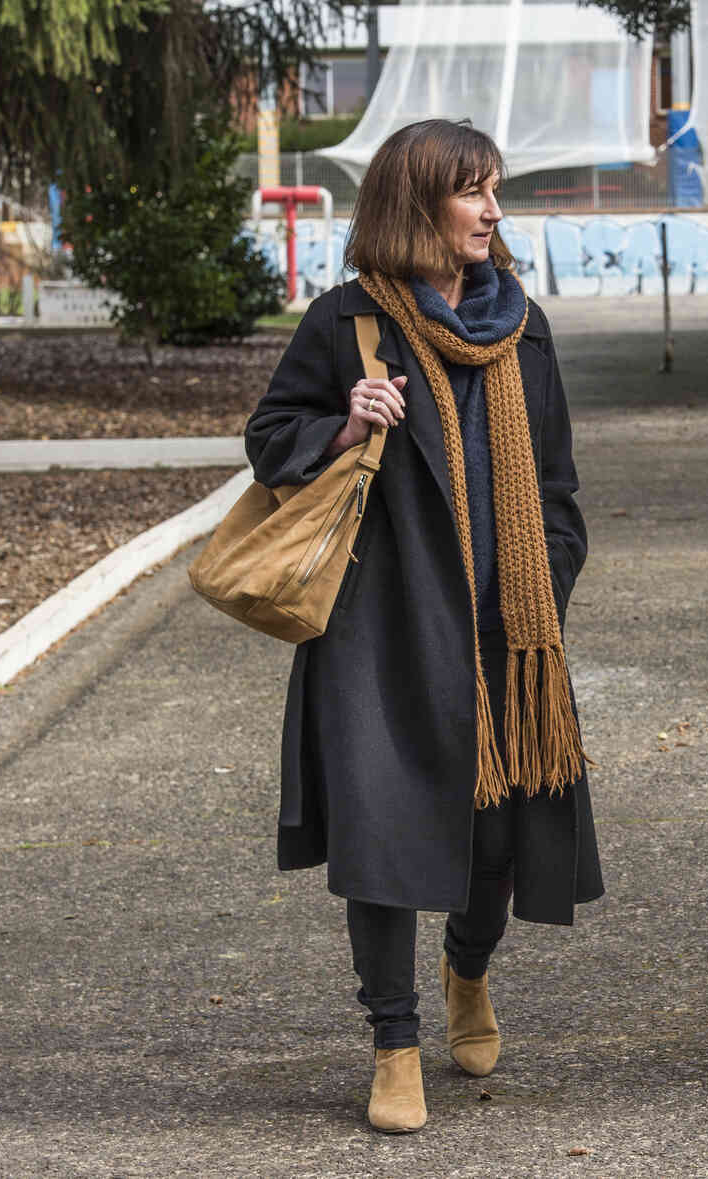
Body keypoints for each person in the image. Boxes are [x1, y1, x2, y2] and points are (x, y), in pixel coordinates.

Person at [245, 118, 601, 1134]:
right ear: (417, 206)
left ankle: (468, 970)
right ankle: (393, 1040)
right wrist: (342, 425)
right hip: (380, 632)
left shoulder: (521, 326)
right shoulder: (347, 324)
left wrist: (547, 589)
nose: (490, 211)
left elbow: (560, 487)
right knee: (383, 836)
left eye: (494, 191)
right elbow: (271, 441)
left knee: (494, 841)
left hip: (506, 630)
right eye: (470, 192)